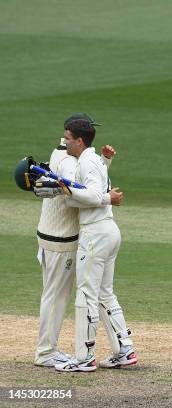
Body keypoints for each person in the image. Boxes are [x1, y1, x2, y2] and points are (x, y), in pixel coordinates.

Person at [32, 113, 116, 367]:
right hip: (61, 238)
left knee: (54, 294)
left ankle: (46, 349)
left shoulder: (66, 154)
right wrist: (107, 198)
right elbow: (79, 191)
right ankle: (46, 352)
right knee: (56, 296)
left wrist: (104, 162)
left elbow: (84, 184)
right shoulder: (67, 159)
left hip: (56, 235)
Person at [54, 118, 135, 372]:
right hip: (108, 231)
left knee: (87, 294)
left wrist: (100, 197)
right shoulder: (96, 160)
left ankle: (84, 357)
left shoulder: (88, 161)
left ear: (79, 140)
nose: (64, 141)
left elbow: (93, 194)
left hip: (95, 234)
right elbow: (85, 197)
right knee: (104, 293)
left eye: (67, 137)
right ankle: (124, 349)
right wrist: (67, 192)